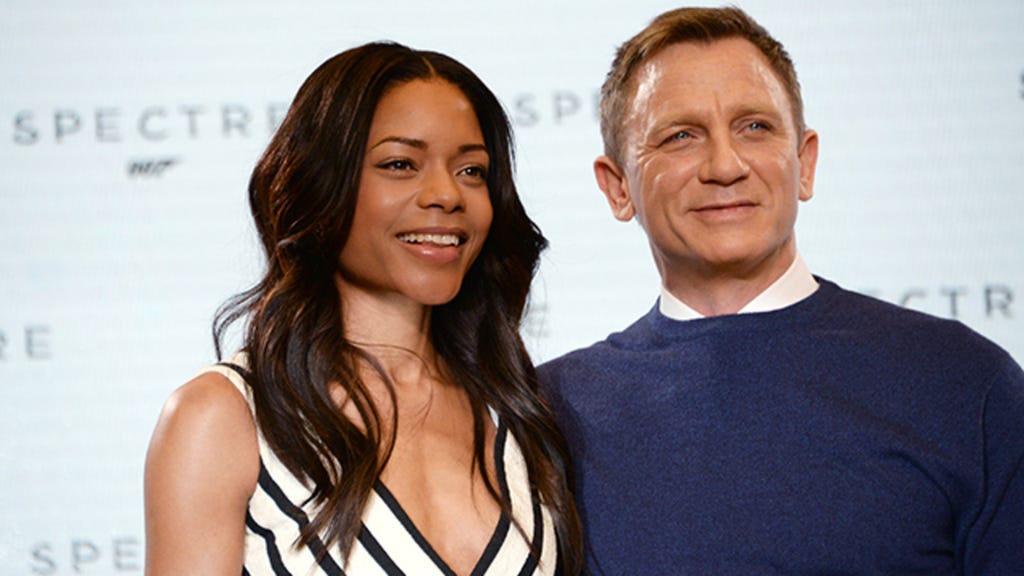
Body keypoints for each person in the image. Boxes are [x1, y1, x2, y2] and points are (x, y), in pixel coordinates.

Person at [539, 6, 1024, 575]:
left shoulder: (963, 383)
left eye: (755, 127)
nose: (725, 166)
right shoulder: (548, 413)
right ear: (617, 187)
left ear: (804, 163)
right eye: (680, 136)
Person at [145, 42, 582, 575]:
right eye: (400, 164)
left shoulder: (518, 409)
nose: (447, 194)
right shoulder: (222, 417)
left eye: (471, 170)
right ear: (320, 185)